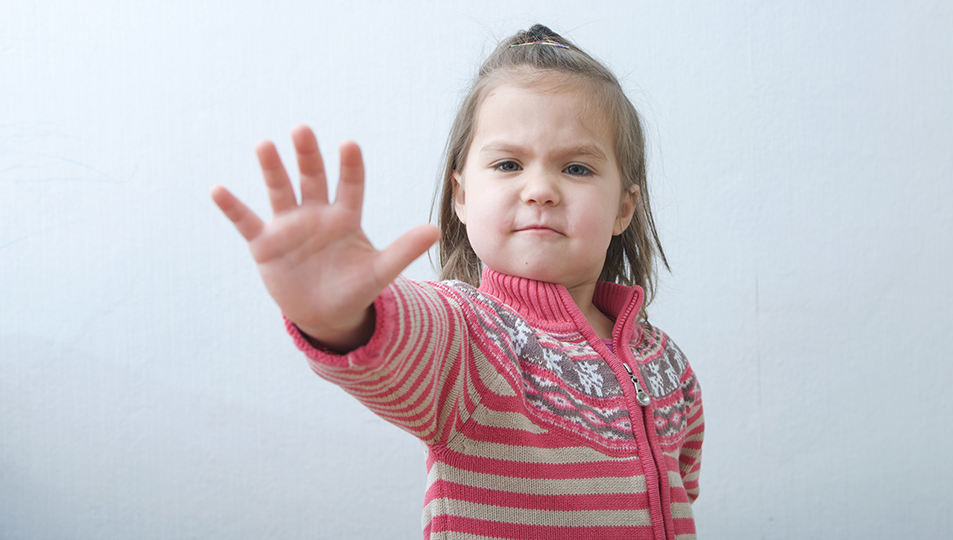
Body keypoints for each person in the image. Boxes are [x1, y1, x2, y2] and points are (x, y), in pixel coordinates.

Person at [211, 24, 703, 540]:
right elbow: (406, 338)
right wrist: (338, 316)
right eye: (508, 163)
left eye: (577, 168)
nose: (540, 189)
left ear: (624, 206)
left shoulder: (667, 366)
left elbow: (680, 500)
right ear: (461, 196)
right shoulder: (472, 339)